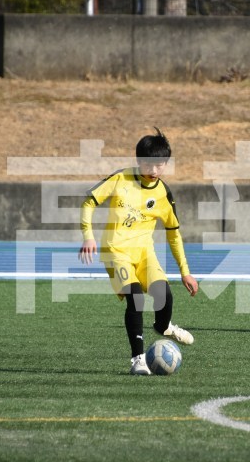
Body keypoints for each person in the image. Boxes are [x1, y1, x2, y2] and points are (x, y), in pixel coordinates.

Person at [78, 128, 198, 375]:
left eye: (159, 165)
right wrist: (88, 236)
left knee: (164, 294)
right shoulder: (121, 179)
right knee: (136, 298)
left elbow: (173, 233)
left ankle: (164, 327)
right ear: (138, 161)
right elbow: (89, 202)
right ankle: (138, 359)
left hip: (144, 254)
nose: (153, 170)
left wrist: (185, 272)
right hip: (115, 251)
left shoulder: (163, 193)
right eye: (148, 164)